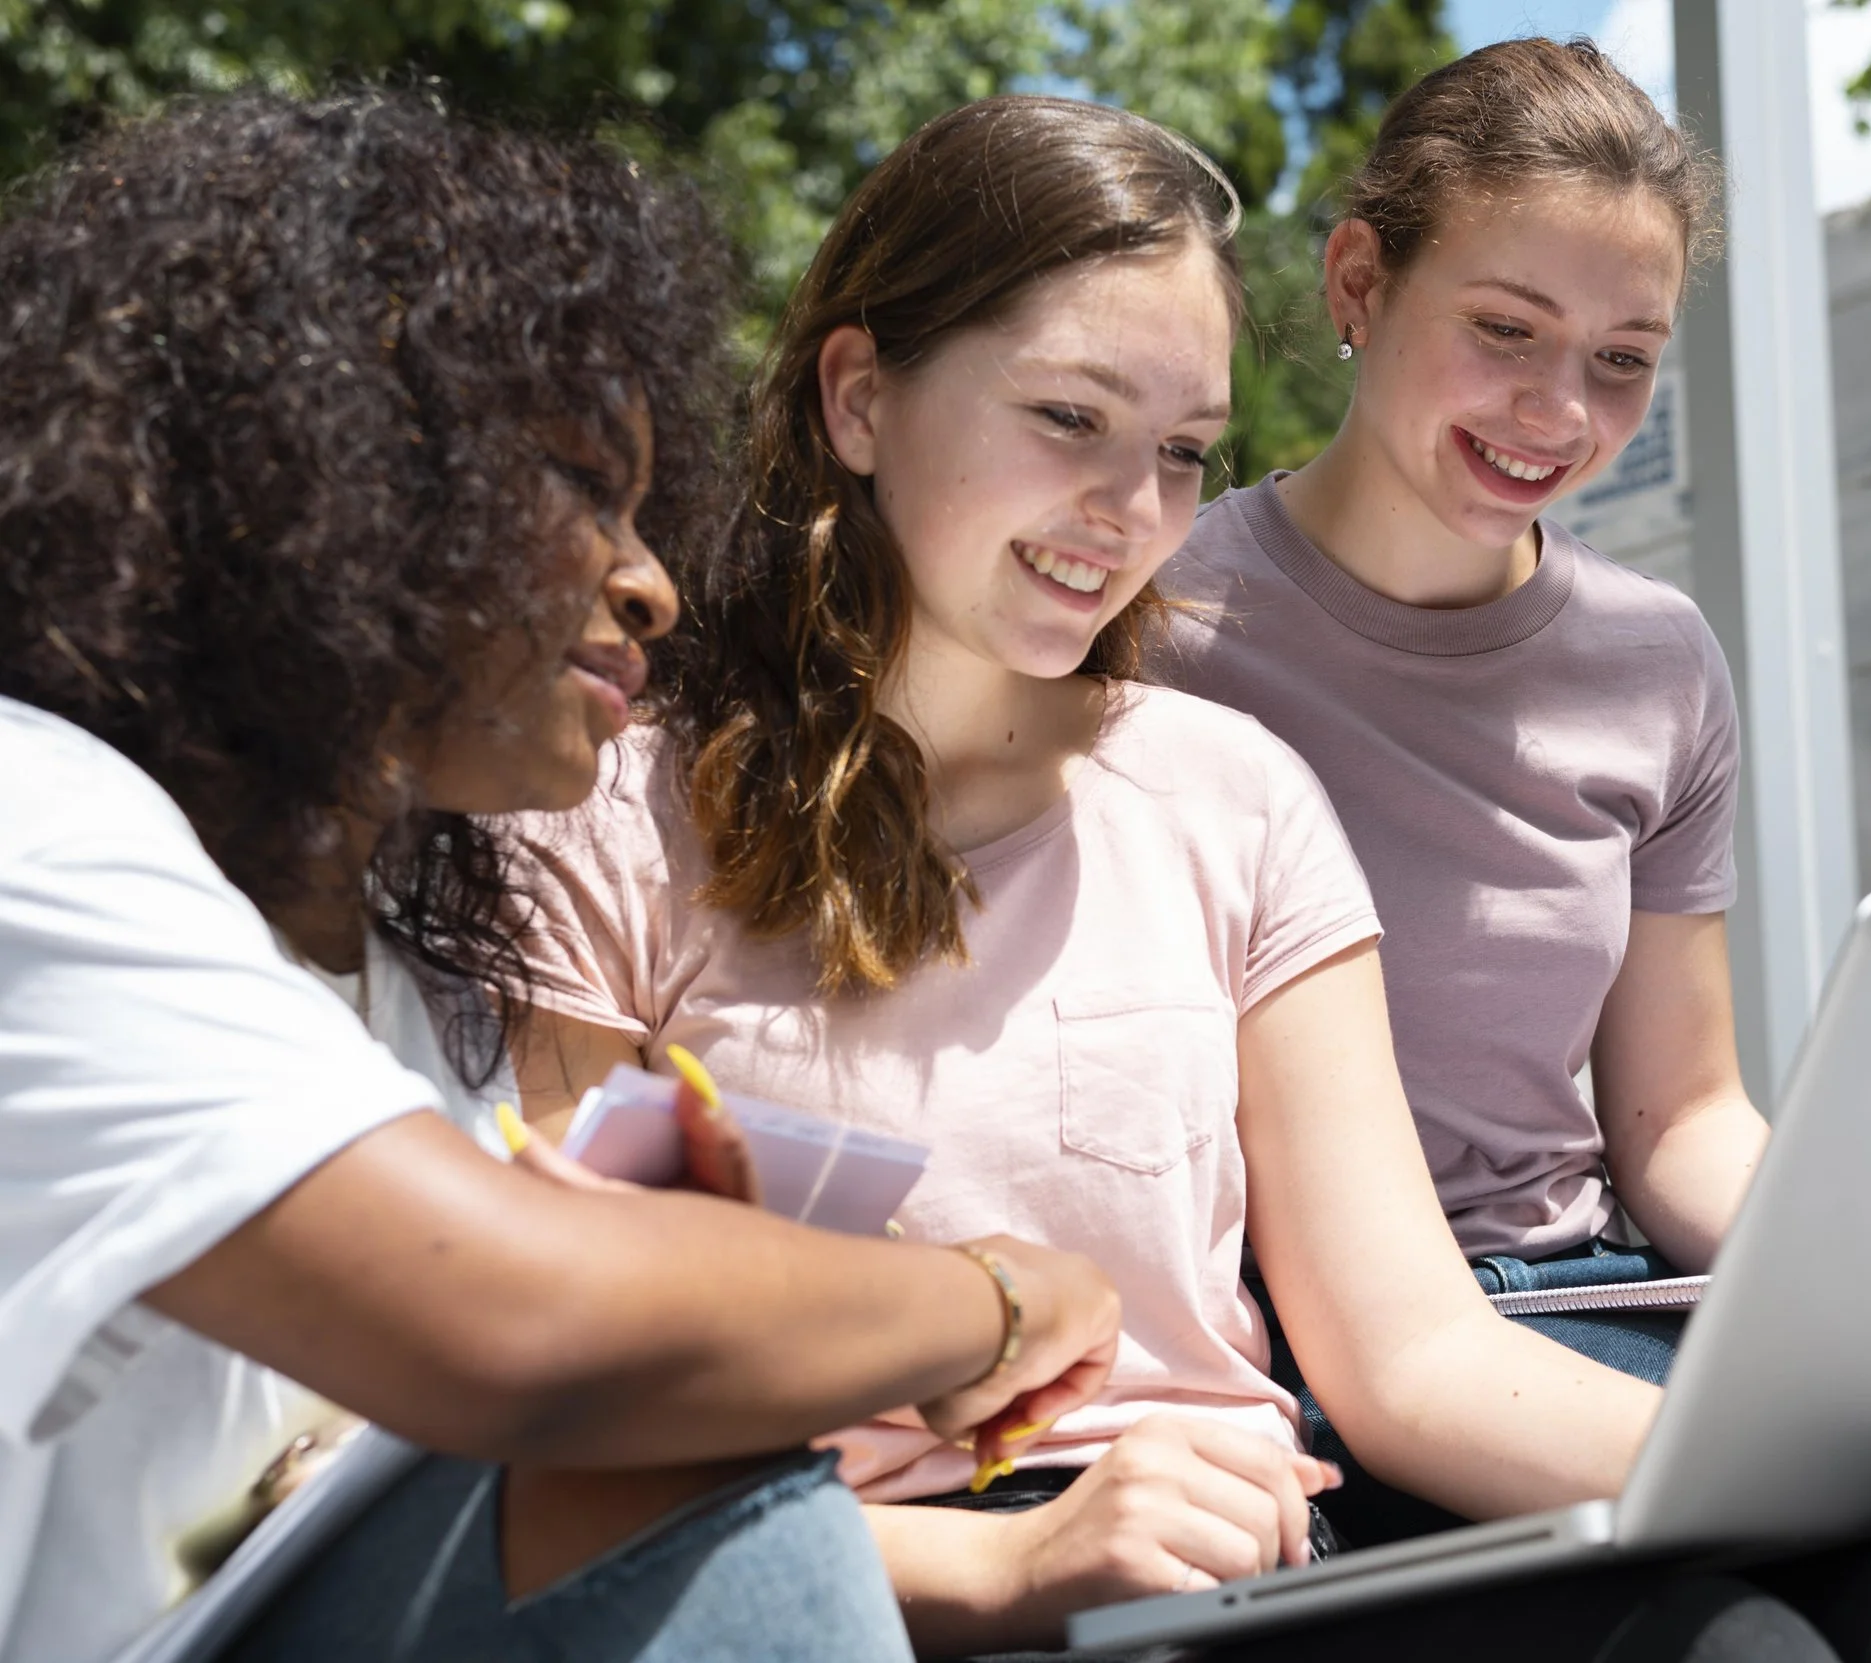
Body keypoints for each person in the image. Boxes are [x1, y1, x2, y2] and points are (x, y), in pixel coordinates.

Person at [506, 90, 1871, 1663]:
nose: (1125, 508)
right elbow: (558, 1414)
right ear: (859, 395)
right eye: (1068, 416)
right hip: (917, 1565)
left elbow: (1422, 1335)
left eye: (1178, 450)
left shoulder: (1235, 791)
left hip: (1274, 1518)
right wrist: (1001, 1563)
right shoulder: (607, 815)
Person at [0, 89, 1121, 1663]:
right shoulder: (35, 830)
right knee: (672, 1436)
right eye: (581, 488)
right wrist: (993, 1300)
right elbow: (532, 1324)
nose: (652, 581)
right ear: (318, 464)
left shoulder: (402, 978)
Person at [1147, 38, 1752, 1405]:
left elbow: (1683, 1115)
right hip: (1286, 1342)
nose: (1560, 410)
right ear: (1359, 282)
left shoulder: (1658, 663)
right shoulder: (1147, 618)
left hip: (1588, 1295)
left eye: (1623, 357)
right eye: (1504, 330)